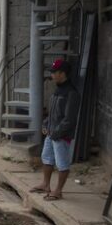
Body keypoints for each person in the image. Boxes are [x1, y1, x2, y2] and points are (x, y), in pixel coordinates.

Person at [30, 59, 80, 201]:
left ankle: (58, 191)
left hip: (61, 136)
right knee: (47, 158)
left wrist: (56, 133)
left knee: (62, 163)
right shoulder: (58, 90)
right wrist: (45, 125)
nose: (51, 75)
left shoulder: (71, 93)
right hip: (52, 133)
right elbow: (52, 114)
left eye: (54, 72)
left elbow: (69, 119)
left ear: (62, 73)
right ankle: (46, 184)